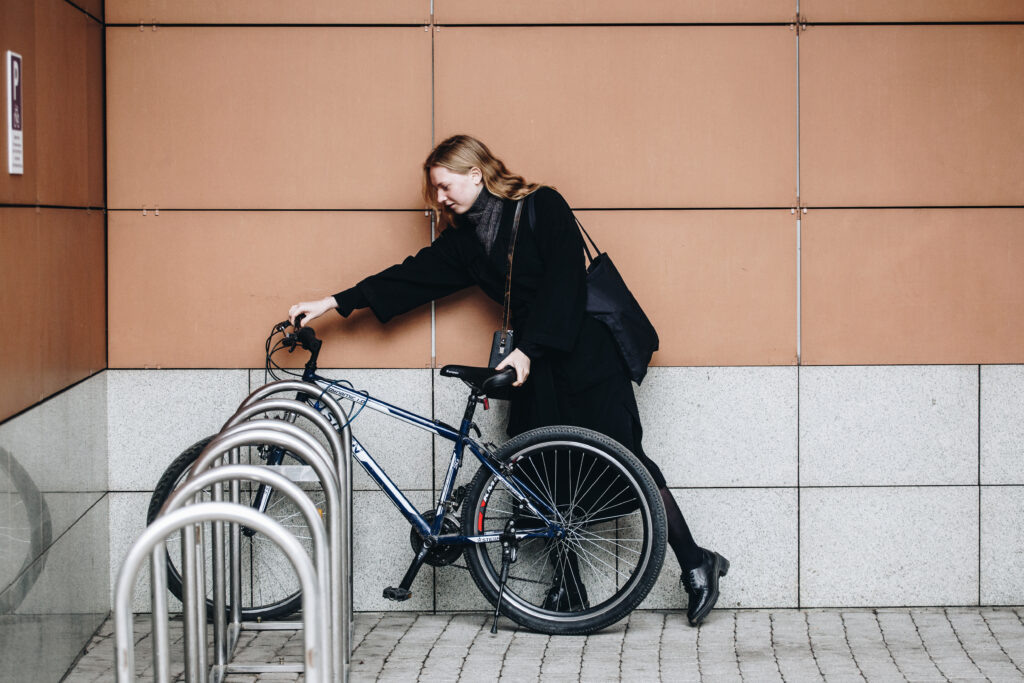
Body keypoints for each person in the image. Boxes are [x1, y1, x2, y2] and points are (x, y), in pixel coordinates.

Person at [289, 134, 729, 626]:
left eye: (445, 186)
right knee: (540, 473)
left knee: (627, 459)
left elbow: (565, 283)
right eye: (435, 190)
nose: (439, 198)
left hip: (583, 354)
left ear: (476, 174)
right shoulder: (466, 241)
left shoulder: (542, 205)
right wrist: (334, 301)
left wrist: (528, 350)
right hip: (535, 365)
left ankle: (697, 563)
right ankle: (568, 586)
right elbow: (411, 276)